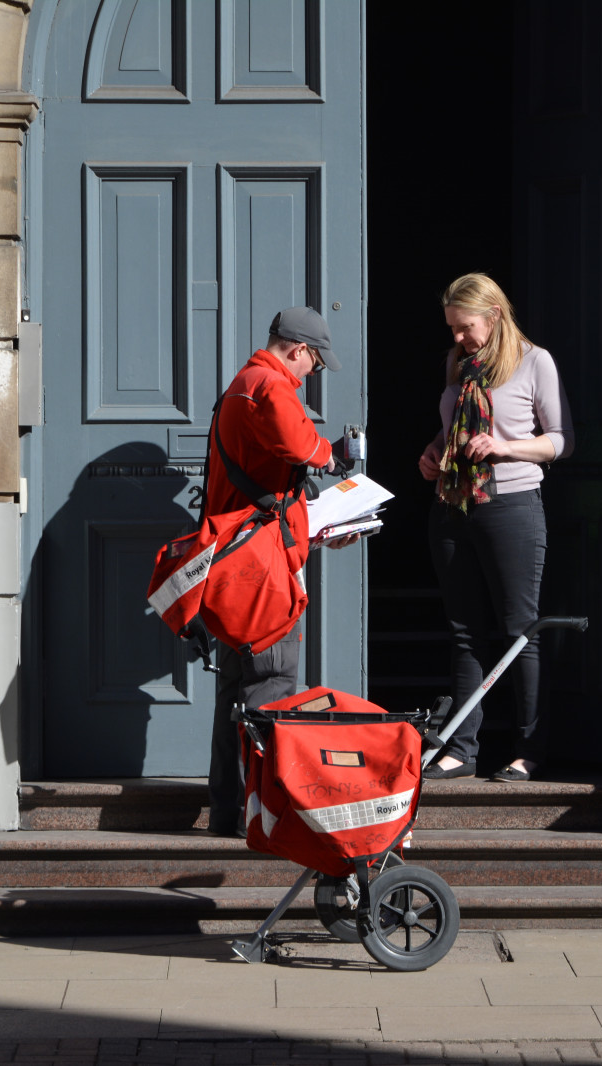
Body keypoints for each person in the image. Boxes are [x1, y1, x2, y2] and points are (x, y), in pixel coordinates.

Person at [416, 273, 573, 783]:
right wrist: (434, 451)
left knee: (519, 631)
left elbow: (561, 440)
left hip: (511, 505)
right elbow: (452, 428)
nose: (458, 337)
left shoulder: (534, 361)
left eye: (465, 327)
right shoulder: (460, 363)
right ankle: (461, 749)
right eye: (453, 328)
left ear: (495, 315)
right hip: (452, 504)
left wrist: (505, 448)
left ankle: (528, 751)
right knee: (464, 633)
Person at [206, 306, 356, 836]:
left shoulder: (240, 385)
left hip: (236, 562)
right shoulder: (270, 385)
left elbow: (271, 472)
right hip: (264, 569)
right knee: (270, 683)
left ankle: (227, 811)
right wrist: (330, 456)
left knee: (234, 690)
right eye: (315, 362)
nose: (312, 373)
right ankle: (262, 817)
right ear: (298, 349)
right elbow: (301, 446)